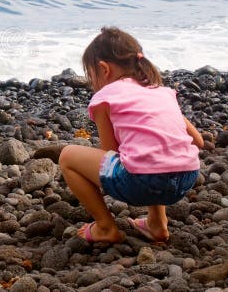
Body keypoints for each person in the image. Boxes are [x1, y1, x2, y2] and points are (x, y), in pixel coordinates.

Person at [59, 27, 204, 243]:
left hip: (140, 183)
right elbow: (198, 141)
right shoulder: (160, 91)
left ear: (104, 69)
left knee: (67, 156)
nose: (93, 84)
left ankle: (105, 227)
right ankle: (157, 224)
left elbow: (110, 153)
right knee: (153, 149)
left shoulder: (105, 97)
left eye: (91, 76)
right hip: (186, 178)